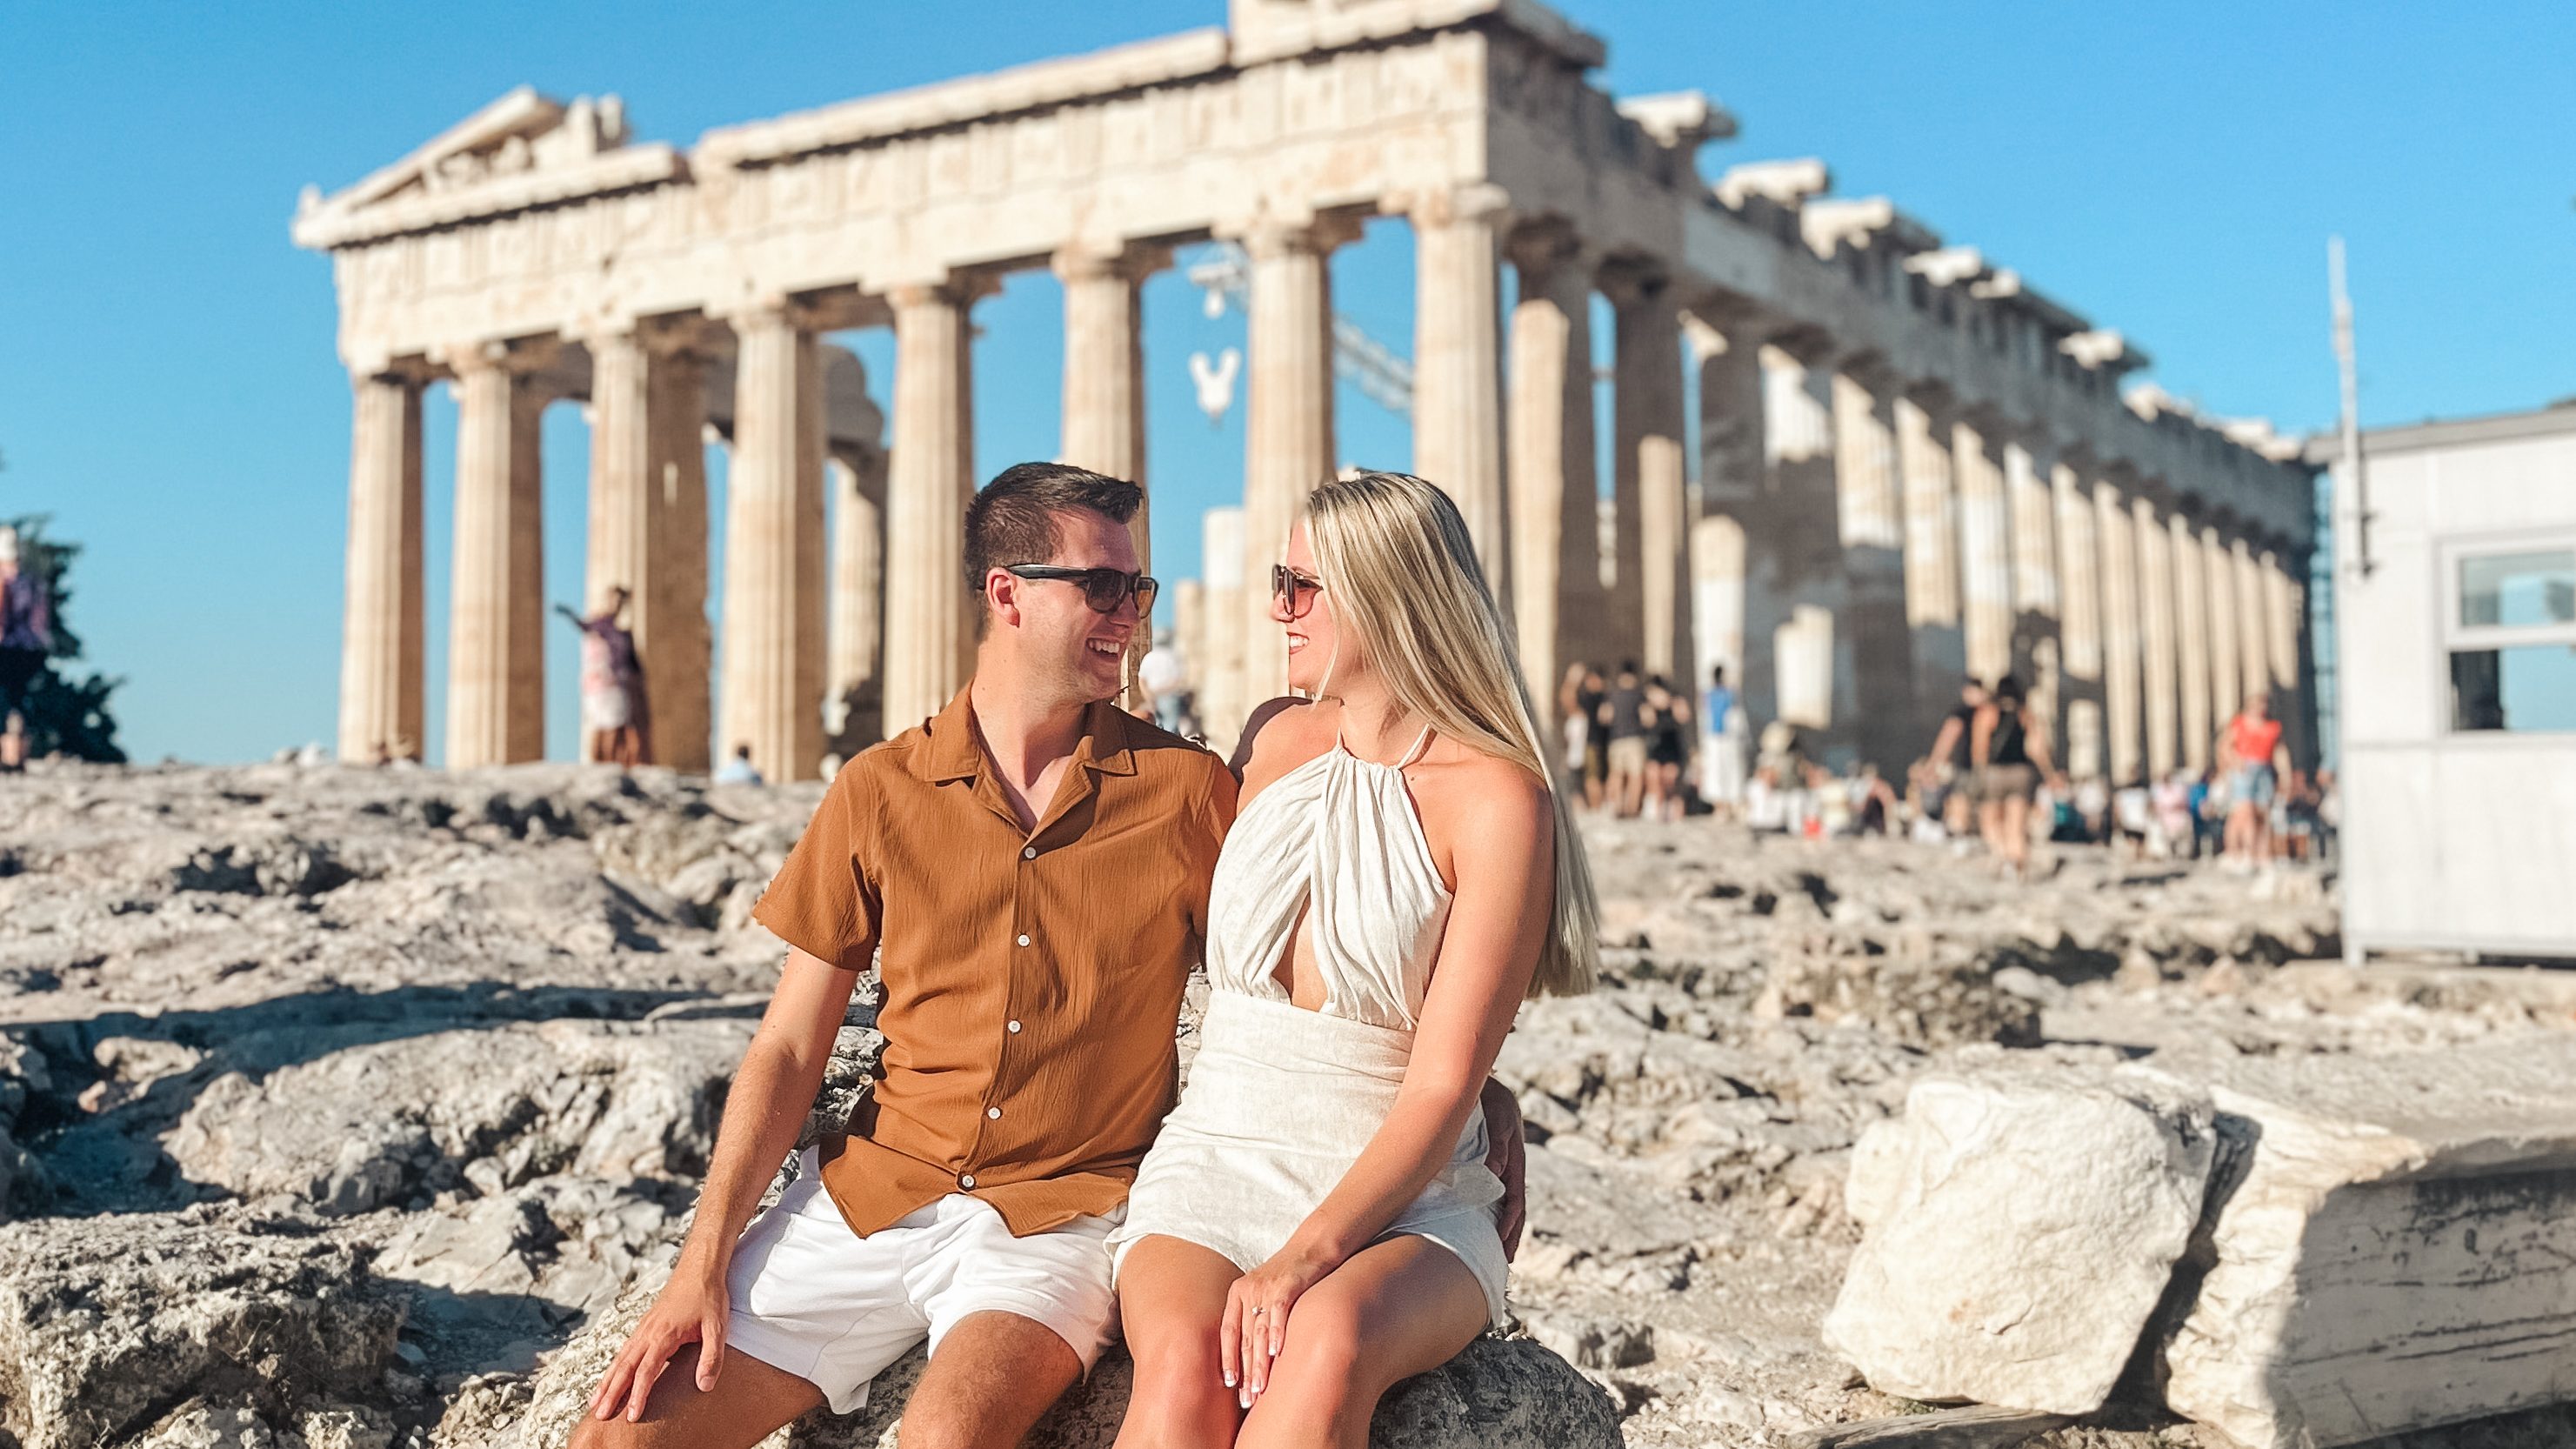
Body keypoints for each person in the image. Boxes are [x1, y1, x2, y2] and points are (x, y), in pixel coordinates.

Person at [574, 464, 1522, 1449]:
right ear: (1007, 593)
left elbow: (1315, 958)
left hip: (1054, 1220)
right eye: (1103, 587)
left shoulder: (1188, 791)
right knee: (616, 1439)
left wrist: (1470, 1090)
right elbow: (785, 1046)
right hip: (871, 1191)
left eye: (1139, 587)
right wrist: (702, 1258)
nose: (1131, 613)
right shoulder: (878, 789)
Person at [1111, 471, 1595, 1448]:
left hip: (1407, 1197)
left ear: (1386, 594)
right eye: (1278, 580)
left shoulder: (1500, 799)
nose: (1277, 608)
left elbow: (1440, 1082)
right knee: (1183, 1364)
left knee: (1326, 1338)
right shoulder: (1269, 738)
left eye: (1300, 585)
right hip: (1217, 1153)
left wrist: (1301, 1260)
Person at [1969, 675, 2063, 880]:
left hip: (1995, 772)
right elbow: (2037, 748)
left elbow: (1980, 747)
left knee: (1991, 818)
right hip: (2021, 772)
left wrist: (1979, 772)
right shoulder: (2025, 714)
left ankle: (2003, 854)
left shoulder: (1987, 713)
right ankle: (2017, 864)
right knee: (2017, 822)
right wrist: (2049, 774)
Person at [558, 587, 650, 769]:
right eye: (614, 600)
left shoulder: (622, 633)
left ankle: (618, 763)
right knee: (607, 725)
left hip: (620, 682)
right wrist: (569, 614)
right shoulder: (600, 626)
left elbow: (633, 662)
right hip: (603, 684)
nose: (616, 605)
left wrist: (638, 682)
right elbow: (584, 626)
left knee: (622, 726)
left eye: (620, 602)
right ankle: (604, 764)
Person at [2218, 691, 2290, 869]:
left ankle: (2262, 854)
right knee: (2243, 813)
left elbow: (2280, 753)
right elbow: (2225, 746)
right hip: (2244, 768)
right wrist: (2234, 763)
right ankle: (2237, 853)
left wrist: (2285, 776)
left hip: (2264, 769)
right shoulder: (2239, 723)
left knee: (2263, 813)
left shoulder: (2273, 727)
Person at [1926, 681, 1987, 837]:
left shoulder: (1962, 713)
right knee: (1973, 800)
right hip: (1984, 766)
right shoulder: (1989, 711)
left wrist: (1933, 764)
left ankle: (1962, 833)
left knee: (1961, 797)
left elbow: (1947, 739)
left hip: (1968, 765)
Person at [1597, 662, 1650, 818]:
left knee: (1616, 774)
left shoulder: (1612, 695)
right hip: (1635, 739)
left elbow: (1604, 717)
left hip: (1616, 739)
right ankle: (1631, 808)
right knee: (1635, 775)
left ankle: (1618, 806)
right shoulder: (1639, 695)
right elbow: (1647, 718)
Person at [1643, 675, 1692, 823]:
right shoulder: (1648, 706)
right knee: (1655, 780)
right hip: (1656, 746)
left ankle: (1676, 814)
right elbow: (1647, 722)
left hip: (1672, 747)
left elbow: (1684, 717)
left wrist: (1671, 703)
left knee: (1670, 782)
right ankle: (1659, 814)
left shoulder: (1675, 702)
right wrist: (1651, 707)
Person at [1698, 664, 1743, 815]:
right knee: (1718, 770)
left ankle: (1729, 803)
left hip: (1725, 737)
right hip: (1717, 737)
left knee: (1725, 769)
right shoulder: (1714, 694)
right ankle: (1721, 804)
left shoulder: (1724, 694)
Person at [1574, 666, 1609, 811]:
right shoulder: (1607, 698)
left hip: (1593, 743)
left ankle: (1596, 807)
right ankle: (1599, 806)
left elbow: (1569, 700)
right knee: (1600, 777)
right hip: (1604, 743)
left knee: (1592, 777)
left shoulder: (1590, 698)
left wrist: (1573, 680)